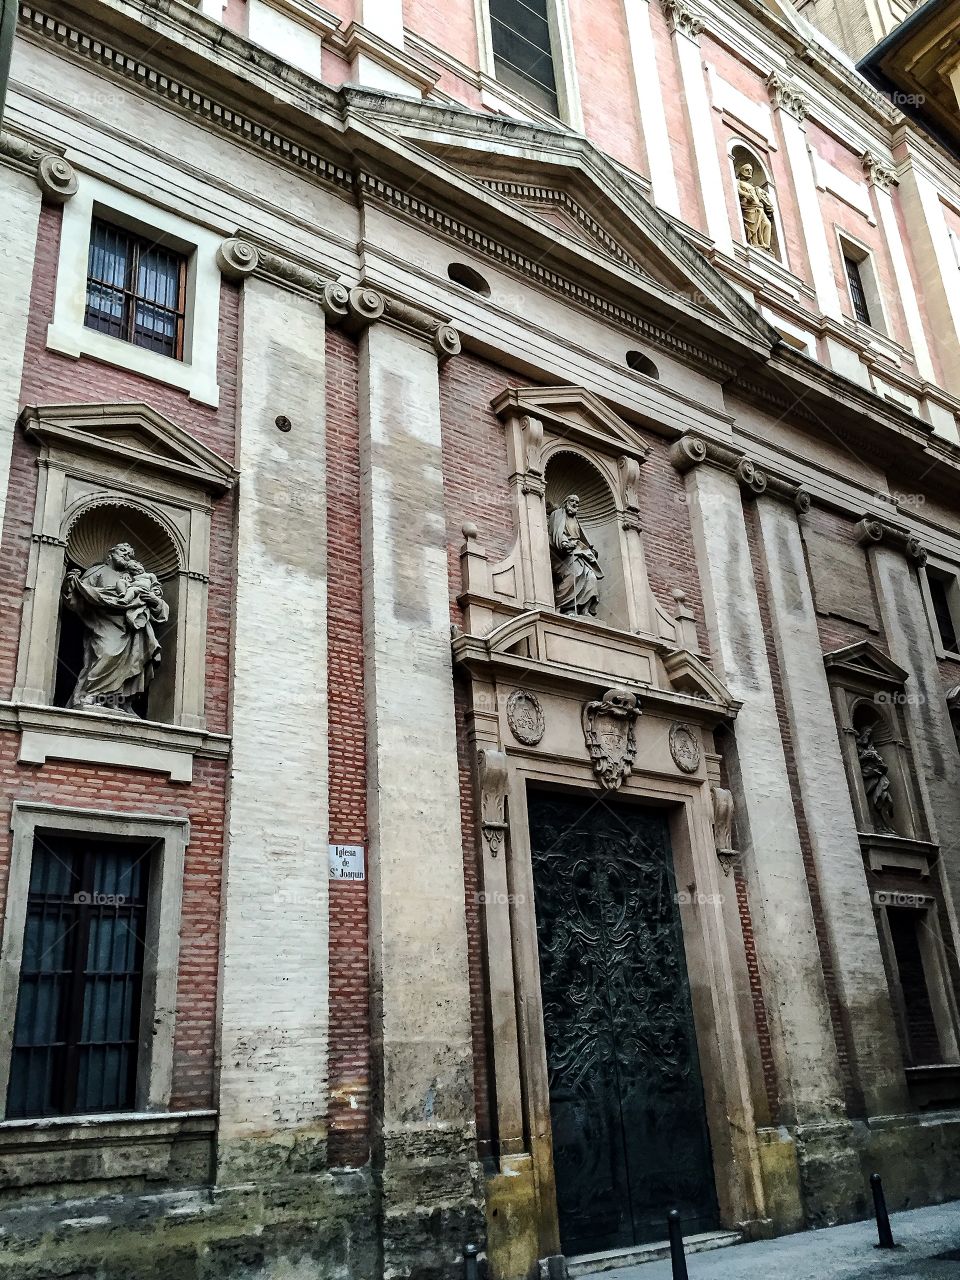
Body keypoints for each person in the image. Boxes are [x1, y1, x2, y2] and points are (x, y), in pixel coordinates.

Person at [62, 541, 169, 715]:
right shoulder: (97, 572)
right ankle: (89, 695)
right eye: (123, 551)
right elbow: (80, 596)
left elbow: (159, 607)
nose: (127, 555)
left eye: (130, 554)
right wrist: (70, 585)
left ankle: (115, 702)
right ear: (110, 554)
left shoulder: (135, 578)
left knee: (132, 662)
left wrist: (152, 599)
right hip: (102, 622)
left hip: (132, 627)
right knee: (106, 653)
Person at [548, 494, 603, 617]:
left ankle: (585, 609)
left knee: (592, 577)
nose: (574, 504)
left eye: (577, 503)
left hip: (580, 552)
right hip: (564, 555)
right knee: (574, 574)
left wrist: (590, 550)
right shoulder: (558, 514)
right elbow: (556, 532)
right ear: (566, 502)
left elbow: (584, 539)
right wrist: (564, 543)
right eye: (572, 501)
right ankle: (567, 607)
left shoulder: (576, 520)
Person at [736, 162, 775, 251]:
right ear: (741, 171)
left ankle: (765, 246)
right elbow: (737, 190)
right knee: (753, 227)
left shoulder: (754, 186)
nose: (749, 172)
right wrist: (746, 194)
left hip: (759, 208)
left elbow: (762, 197)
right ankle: (754, 243)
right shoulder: (738, 182)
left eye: (751, 170)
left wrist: (767, 205)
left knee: (767, 224)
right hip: (748, 208)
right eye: (747, 170)